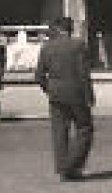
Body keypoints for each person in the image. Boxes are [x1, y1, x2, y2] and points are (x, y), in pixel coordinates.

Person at [35, 16, 95, 180]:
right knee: (85, 128)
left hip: (55, 95)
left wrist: (50, 89)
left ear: (57, 29)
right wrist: (89, 95)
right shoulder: (78, 45)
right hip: (76, 93)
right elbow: (83, 73)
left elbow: (39, 76)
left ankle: (62, 170)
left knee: (59, 131)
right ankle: (72, 166)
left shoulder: (47, 47)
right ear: (71, 29)